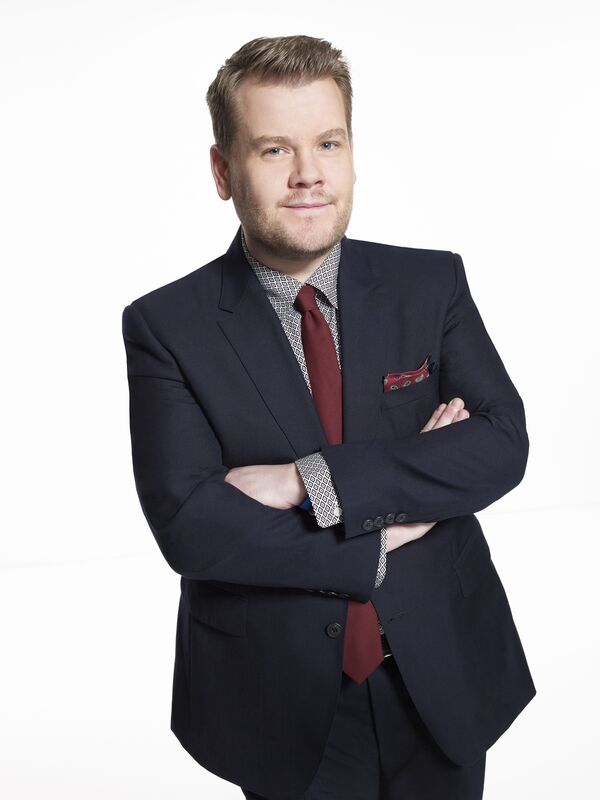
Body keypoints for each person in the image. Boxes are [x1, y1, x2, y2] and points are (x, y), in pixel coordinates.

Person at [122, 34, 536, 800]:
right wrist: (383, 535)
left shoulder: (431, 283)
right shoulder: (166, 325)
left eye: (328, 143)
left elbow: (500, 445)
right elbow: (191, 525)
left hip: (441, 668)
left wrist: (304, 481)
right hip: (275, 696)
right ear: (223, 170)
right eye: (274, 149)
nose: (309, 173)